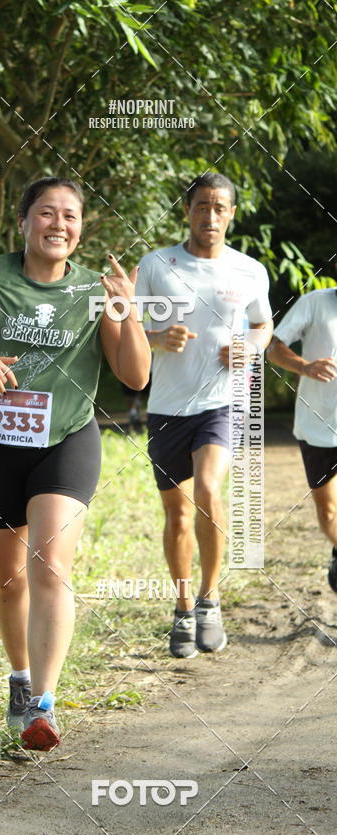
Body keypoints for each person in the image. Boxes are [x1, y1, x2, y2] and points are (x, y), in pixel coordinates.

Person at [0, 176, 150, 750]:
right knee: (9, 579)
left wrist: (127, 312)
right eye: (46, 213)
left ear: (81, 229)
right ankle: (19, 680)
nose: (58, 224)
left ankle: (43, 704)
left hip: (67, 440)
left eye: (69, 216)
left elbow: (135, 376)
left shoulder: (95, 290)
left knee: (49, 566)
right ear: (23, 222)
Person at [138, 172, 273, 658]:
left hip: (223, 400)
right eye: (201, 206)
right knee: (176, 514)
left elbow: (262, 324)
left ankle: (210, 600)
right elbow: (128, 329)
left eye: (219, 207)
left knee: (210, 489)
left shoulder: (249, 271)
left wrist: (249, 349)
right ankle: (181, 609)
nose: (210, 216)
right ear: (187, 211)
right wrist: (157, 339)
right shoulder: (157, 264)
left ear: (231, 214)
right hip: (168, 406)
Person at [266, 288, 337, 592]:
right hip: (318, 426)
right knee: (329, 511)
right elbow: (274, 348)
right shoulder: (315, 302)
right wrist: (305, 367)